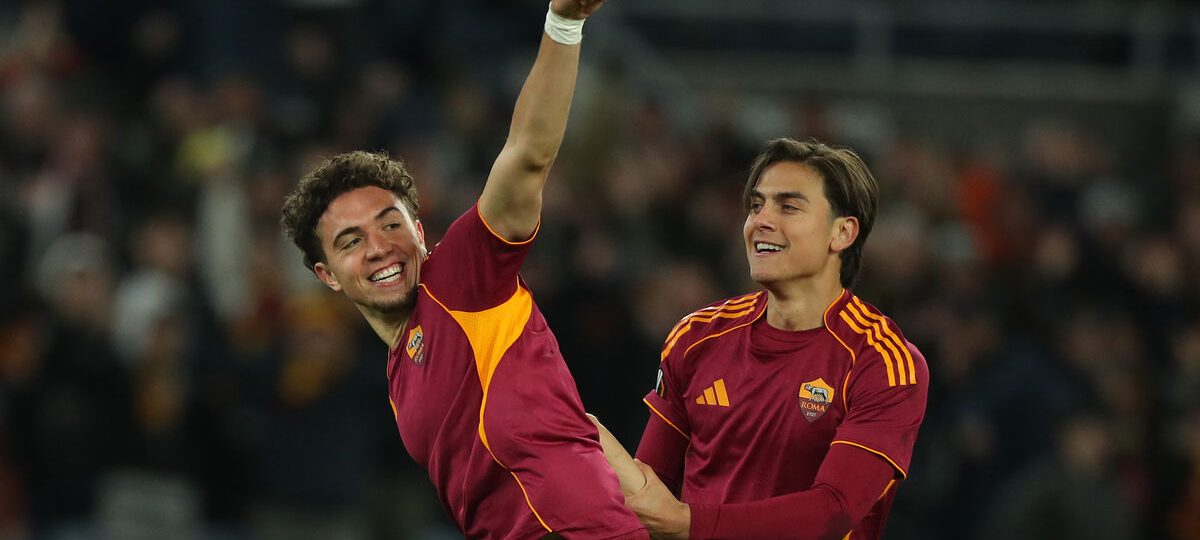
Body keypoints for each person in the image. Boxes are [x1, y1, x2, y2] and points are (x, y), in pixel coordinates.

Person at [280, 2, 648, 538]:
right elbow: (572, 433)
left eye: (390, 225)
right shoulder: (398, 377)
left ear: (420, 233)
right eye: (351, 241)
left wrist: (563, 24)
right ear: (328, 275)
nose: (379, 248)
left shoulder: (458, 279)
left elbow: (526, 155)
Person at [591, 138, 930, 540]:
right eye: (756, 206)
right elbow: (653, 492)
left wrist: (688, 523)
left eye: (788, 207)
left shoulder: (882, 361)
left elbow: (833, 513)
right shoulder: (697, 336)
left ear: (842, 232)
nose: (760, 221)